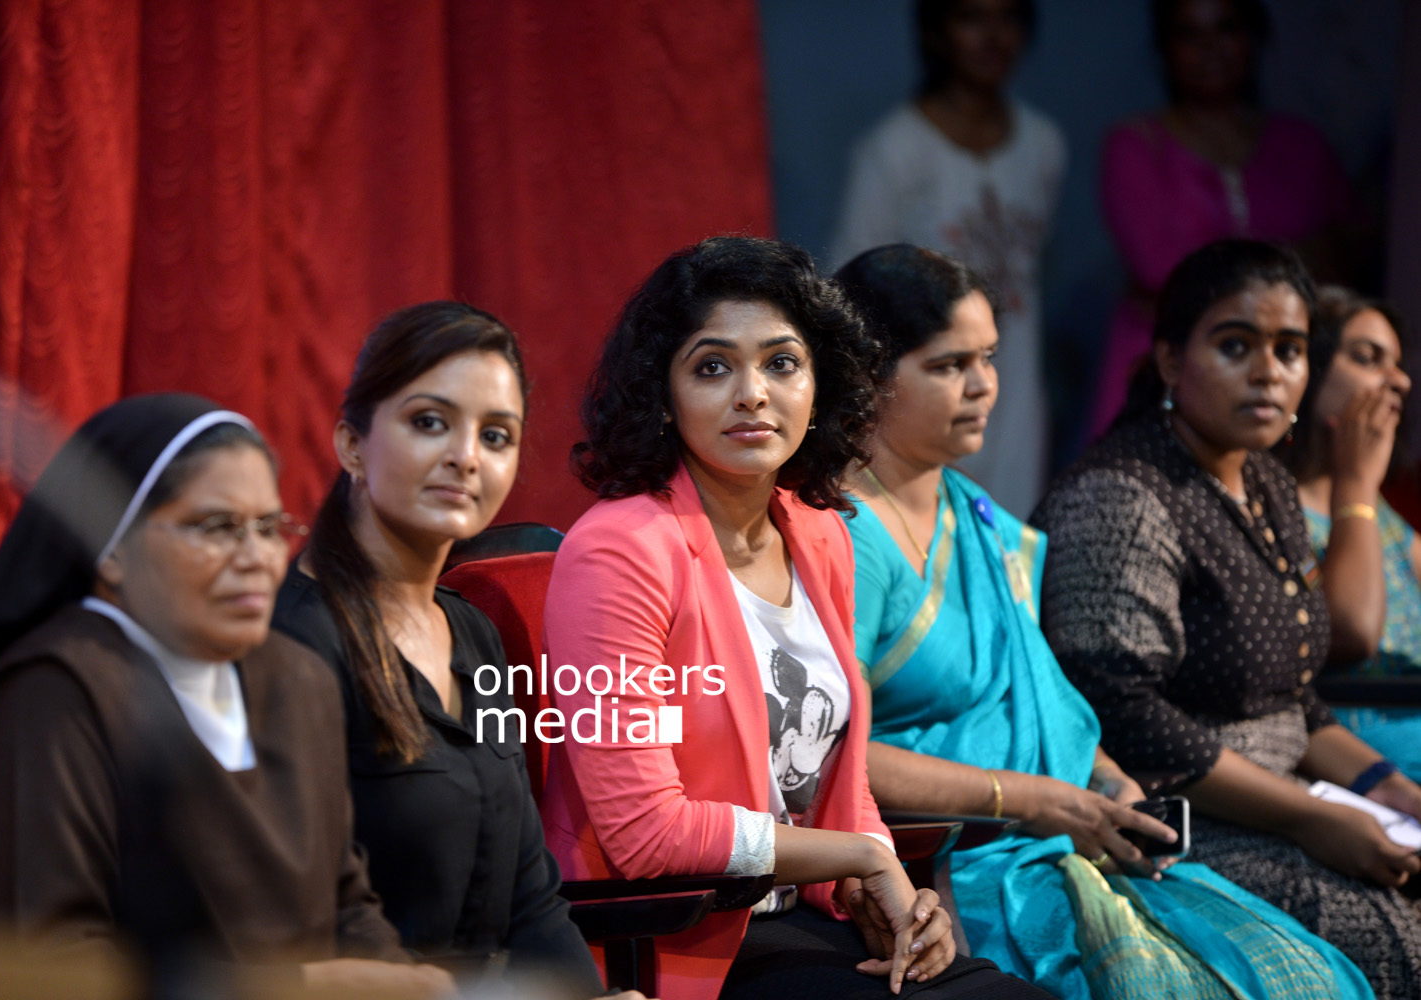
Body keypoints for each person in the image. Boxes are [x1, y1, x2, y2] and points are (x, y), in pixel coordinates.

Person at [834, 243, 1373, 999]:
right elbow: (832, 756)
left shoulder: (981, 521)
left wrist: (1112, 787)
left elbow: (1048, 701)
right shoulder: (845, 534)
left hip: (1063, 831)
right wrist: (1037, 801)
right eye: (948, 365)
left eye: (987, 358)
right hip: (952, 862)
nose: (983, 386)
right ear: (866, 375)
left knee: (1305, 976)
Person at [539, 236, 1051, 1000]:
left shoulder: (818, 530)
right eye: (712, 367)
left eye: (781, 363)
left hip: (807, 920)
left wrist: (899, 894)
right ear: (662, 392)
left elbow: (837, 784)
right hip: (681, 937)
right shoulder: (618, 551)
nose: (752, 393)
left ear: (822, 384)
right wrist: (858, 857)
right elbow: (645, 835)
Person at [0, 393, 451, 995]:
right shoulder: (52, 697)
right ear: (114, 549)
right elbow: (48, 968)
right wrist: (293, 988)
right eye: (219, 527)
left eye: (268, 527)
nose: (257, 558)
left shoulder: (298, 679)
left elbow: (348, 906)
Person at [1032, 239, 1421, 998]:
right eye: (1235, 345)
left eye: (1289, 349)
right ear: (1172, 362)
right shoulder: (1121, 496)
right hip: (1177, 822)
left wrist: (1394, 791)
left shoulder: (1264, 484)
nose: (1268, 371)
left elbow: (1296, 699)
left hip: (1288, 805)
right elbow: (1119, 713)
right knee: (1397, 935)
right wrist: (1310, 820)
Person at [270, 303, 603, 996]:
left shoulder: (475, 633)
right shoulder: (290, 644)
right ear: (351, 445)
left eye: (496, 435)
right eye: (429, 422)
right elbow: (296, 928)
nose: (465, 456)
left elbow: (530, 897)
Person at [831, 0, 1064, 518]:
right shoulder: (894, 149)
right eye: (971, 17)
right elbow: (849, 293)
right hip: (920, 386)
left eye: (1008, 17)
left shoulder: (1043, 145)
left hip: (1016, 383)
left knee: (1008, 533)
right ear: (936, 32)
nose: (992, 36)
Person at [1088, 0, 1359, 438]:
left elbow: (1349, 254)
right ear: (1163, 48)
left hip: (1279, 372)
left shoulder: (1303, 144)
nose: (1209, 48)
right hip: (1167, 371)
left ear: (1254, 39)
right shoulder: (1137, 146)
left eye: (1226, 28)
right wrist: (1297, 256)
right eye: (1189, 34)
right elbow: (1164, 272)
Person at [1281, 287, 1421, 776]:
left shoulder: (1388, 521)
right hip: (1357, 740)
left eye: (1398, 364)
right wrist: (1356, 481)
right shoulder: (1273, 504)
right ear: (1309, 370)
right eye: (1368, 359)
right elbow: (1353, 631)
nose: (1399, 381)